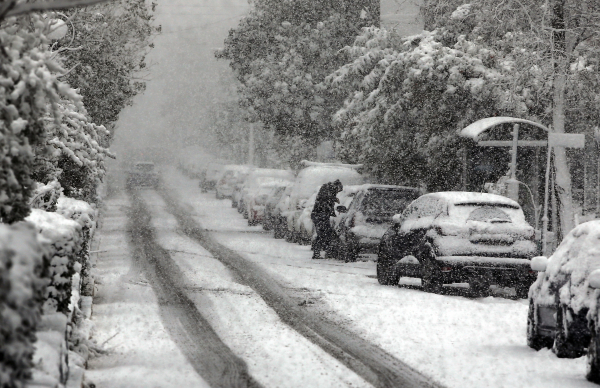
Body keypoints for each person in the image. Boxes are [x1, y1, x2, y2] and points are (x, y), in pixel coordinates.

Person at [311, 179, 343, 259]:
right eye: (339, 190)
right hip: (320, 215)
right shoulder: (329, 191)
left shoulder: (326, 189)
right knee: (323, 233)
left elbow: (324, 201)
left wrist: (333, 200)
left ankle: (320, 252)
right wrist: (333, 200)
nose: (338, 192)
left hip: (318, 215)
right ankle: (320, 252)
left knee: (323, 233)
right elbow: (326, 204)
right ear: (337, 187)